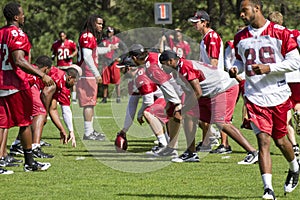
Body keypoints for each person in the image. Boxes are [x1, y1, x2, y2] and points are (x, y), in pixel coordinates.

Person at [228, 0, 300, 199]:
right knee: (263, 141)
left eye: (245, 10)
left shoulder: (280, 32)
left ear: (256, 9)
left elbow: (295, 62)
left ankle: (294, 167)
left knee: (281, 141)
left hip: (277, 94)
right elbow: (240, 60)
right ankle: (268, 189)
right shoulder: (240, 36)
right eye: (240, 12)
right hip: (254, 96)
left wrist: (270, 68)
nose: (241, 15)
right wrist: (235, 68)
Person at [159, 50, 258, 163]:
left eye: (164, 64)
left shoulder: (184, 67)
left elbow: (197, 92)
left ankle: (253, 152)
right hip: (211, 91)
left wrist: (183, 109)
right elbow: (190, 92)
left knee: (221, 122)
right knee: (189, 115)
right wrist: (183, 109)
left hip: (224, 88)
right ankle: (191, 153)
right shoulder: (178, 69)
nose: (163, 68)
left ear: (171, 61)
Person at [0, 2, 53, 174]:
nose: (24, 16)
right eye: (22, 14)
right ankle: (29, 162)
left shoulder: (1, 33)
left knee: (2, 124)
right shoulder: (17, 33)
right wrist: (41, 74)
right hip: (16, 84)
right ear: (16, 17)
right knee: (25, 123)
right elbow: (19, 60)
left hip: (1, 83)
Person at [129, 44, 184, 157]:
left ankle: (170, 147)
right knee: (172, 116)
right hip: (180, 86)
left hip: (180, 88)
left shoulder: (150, 67)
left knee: (189, 116)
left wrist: (176, 102)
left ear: (134, 58)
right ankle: (171, 148)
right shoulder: (152, 56)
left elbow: (165, 84)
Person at [188, 10, 223, 152]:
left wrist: (209, 79)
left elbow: (213, 62)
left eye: (197, 22)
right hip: (208, 79)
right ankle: (207, 140)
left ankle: (223, 144)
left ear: (205, 22)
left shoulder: (212, 36)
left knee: (217, 115)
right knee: (201, 112)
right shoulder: (205, 37)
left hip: (214, 80)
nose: (194, 25)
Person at [268, 11, 300, 159]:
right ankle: (299, 113)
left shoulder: (269, 36)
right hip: (297, 75)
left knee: (285, 111)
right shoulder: (294, 33)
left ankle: (293, 144)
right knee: (297, 103)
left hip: (283, 77)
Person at [77, 14, 107, 141]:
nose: (101, 26)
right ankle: (88, 133)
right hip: (86, 74)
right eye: (98, 23)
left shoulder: (90, 36)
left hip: (88, 73)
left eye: (102, 24)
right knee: (88, 104)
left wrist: (109, 48)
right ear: (92, 23)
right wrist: (96, 73)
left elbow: (93, 52)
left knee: (91, 104)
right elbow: (87, 56)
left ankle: (90, 131)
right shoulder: (88, 36)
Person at [100, 26, 127, 103]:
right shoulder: (104, 41)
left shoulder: (117, 41)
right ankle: (104, 98)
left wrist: (121, 59)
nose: (109, 33)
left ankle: (118, 97)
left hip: (114, 62)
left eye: (110, 32)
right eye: (108, 32)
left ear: (113, 32)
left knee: (117, 81)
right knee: (105, 82)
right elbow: (98, 49)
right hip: (106, 62)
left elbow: (125, 49)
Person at [51, 31, 78, 103]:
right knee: (58, 82)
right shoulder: (56, 43)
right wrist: (53, 56)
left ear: (65, 36)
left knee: (72, 81)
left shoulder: (70, 42)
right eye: (60, 36)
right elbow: (53, 51)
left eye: (63, 36)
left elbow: (76, 50)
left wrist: (71, 56)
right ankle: (58, 97)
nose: (61, 38)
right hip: (60, 66)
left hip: (68, 65)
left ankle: (74, 98)